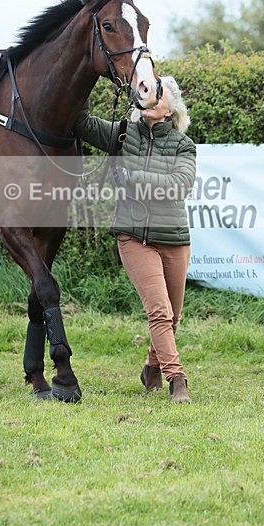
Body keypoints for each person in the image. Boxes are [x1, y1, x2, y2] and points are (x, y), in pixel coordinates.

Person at [73, 76, 196, 403]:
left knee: (173, 316)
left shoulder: (184, 145)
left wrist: (133, 176)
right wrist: (85, 79)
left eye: (158, 95)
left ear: (170, 110)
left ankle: (151, 367)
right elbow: (81, 122)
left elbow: (179, 186)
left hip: (174, 238)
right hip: (133, 236)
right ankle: (177, 379)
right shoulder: (122, 134)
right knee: (159, 312)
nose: (150, 97)